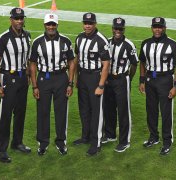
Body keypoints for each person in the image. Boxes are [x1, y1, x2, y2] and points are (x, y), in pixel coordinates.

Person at [29, 13, 75, 156]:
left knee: (61, 111)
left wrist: (70, 83)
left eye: (53, 24)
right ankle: (43, 143)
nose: (51, 27)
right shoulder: (37, 42)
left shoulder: (66, 41)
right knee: (43, 111)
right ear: (44, 25)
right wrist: (35, 86)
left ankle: (61, 142)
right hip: (44, 78)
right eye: (48, 24)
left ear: (57, 25)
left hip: (61, 77)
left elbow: (72, 62)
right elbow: (32, 64)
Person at [139, 17, 176, 155]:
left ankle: (167, 141)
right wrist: (142, 81)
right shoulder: (146, 43)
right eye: (155, 26)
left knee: (165, 113)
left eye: (160, 26)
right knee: (151, 110)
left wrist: (175, 85)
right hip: (150, 79)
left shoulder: (172, 44)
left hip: (165, 80)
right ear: (151, 28)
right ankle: (153, 137)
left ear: (164, 28)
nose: (157, 29)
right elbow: (142, 62)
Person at [0, 7, 31, 163]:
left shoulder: (27, 36)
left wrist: (28, 75)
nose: (19, 21)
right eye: (16, 18)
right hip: (8, 78)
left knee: (20, 112)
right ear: (11, 20)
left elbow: (28, 59)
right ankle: (1, 149)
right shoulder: (3, 37)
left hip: (22, 78)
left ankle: (17, 142)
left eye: (21, 18)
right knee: (5, 115)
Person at [73, 13, 110, 156]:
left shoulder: (101, 40)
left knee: (97, 111)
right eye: (85, 23)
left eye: (90, 23)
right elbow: (77, 58)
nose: (87, 25)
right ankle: (85, 136)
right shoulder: (79, 38)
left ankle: (97, 142)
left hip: (95, 77)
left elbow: (106, 64)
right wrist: (76, 77)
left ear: (95, 24)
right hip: (83, 76)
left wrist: (101, 85)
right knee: (84, 109)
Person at [102, 17, 139, 152]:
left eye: (120, 29)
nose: (118, 31)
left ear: (124, 29)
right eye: (116, 28)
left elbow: (134, 63)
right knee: (108, 108)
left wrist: (128, 77)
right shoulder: (107, 42)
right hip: (108, 79)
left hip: (122, 79)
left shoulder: (129, 44)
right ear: (112, 29)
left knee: (123, 111)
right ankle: (110, 135)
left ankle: (124, 141)